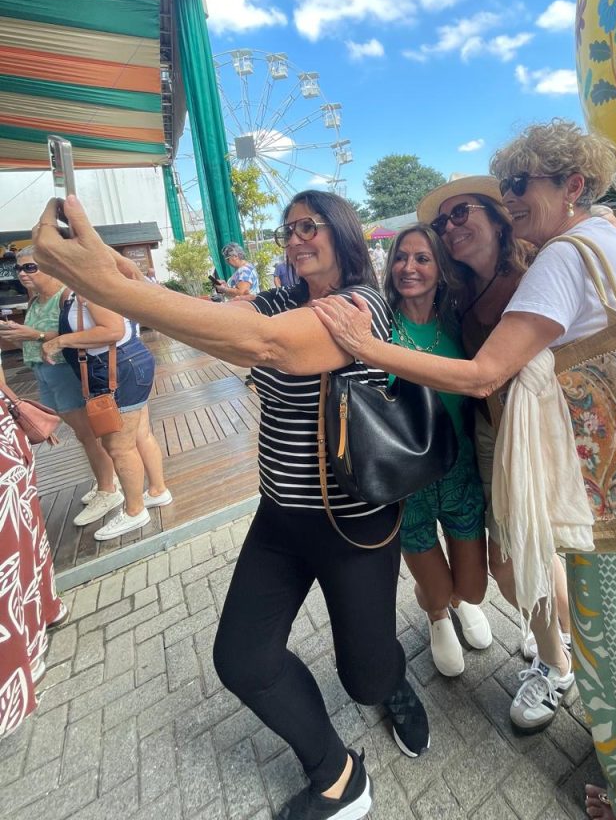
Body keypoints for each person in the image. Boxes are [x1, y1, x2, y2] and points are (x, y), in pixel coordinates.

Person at [312, 120, 616, 820]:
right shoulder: (609, 244)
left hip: (603, 481)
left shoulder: (559, 258)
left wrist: (365, 347)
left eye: (516, 185)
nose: (507, 199)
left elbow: (483, 374)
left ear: (572, 185)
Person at [31, 189, 430, 820]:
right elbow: (211, 318)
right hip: (280, 515)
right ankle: (338, 775)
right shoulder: (279, 299)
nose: (295, 238)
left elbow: (269, 345)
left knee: (366, 679)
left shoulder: (363, 306)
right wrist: (111, 268)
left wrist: (105, 285)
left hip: (354, 524)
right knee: (243, 661)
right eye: (287, 229)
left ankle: (391, 680)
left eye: (310, 225)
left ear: (343, 231)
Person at [415, 176, 572, 706]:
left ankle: (560, 660)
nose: (450, 227)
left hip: (538, 433)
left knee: (516, 559)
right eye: (443, 221)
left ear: (496, 216)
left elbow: (486, 374)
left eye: (461, 213)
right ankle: (559, 645)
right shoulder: (458, 290)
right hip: (489, 434)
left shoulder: (536, 272)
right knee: (516, 558)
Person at [384, 224, 490, 676]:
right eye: (401, 257)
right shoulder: (378, 324)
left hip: (460, 471)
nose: (408, 267)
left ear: (441, 270)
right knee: (438, 590)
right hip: (406, 481)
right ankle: (437, 614)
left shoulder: (457, 322)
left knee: (474, 588)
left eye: (422, 258)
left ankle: (456, 602)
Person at [0, 247, 120, 527]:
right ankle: (106, 480)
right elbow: (36, 338)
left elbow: (76, 333)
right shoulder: (34, 301)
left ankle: (109, 489)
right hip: (42, 371)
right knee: (82, 434)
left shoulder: (67, 296)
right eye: (19, 268)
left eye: (30, 267)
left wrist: (35, 334)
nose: (22, 273)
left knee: (88, 434)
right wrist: (19, 336)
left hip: (65, 370)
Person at [42, 289, 171, 541]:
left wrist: (61, 341)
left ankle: (135, 511)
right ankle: (157, 490)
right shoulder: (81, 289)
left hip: (115, 367)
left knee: (119, 447)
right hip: (126, 363)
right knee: (141, 435)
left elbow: (113, 330)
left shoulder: (88, 288)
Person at [0, 382, 67, 735]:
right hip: (6, 437)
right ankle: (33, 635)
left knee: (11, 547)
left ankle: (19, 661)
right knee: (20, 536)